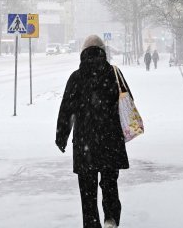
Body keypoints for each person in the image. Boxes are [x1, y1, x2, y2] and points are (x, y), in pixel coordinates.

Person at [56, 35, 132, 228]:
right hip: (111, 141)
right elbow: (128, 103)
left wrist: (61, 137)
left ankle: (91, 224)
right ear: (103, 52)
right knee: (110, 185)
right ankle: (111, 218)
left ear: (83, 53)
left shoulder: (76, 77)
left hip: (85, 144)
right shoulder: (114, 74)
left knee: (87, 192)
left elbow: (66, 110)